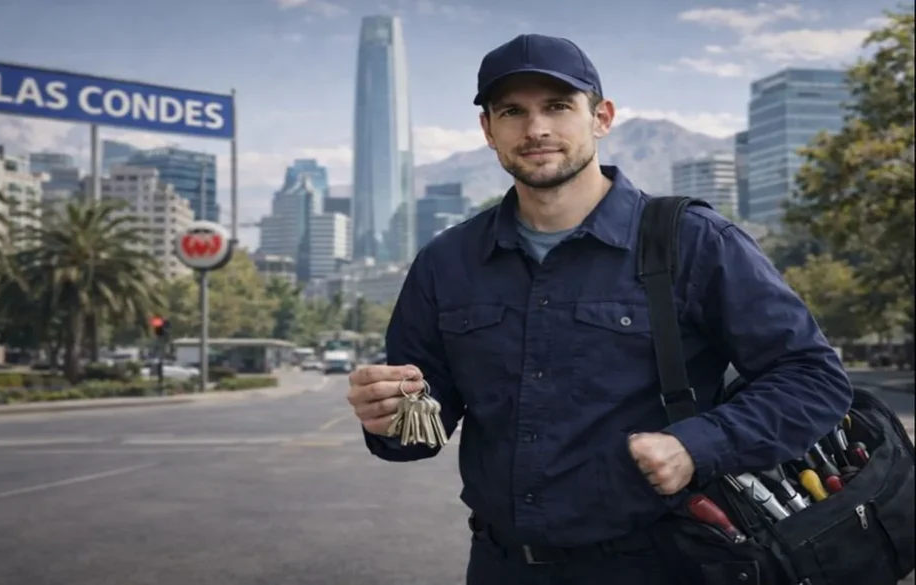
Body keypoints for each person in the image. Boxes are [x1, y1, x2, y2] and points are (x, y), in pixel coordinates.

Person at [346, 33, 853, 585]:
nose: (536, 128)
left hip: (667, 563)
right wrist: (391, 415)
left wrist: (698, 445)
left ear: (601, 117)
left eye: (558, 107)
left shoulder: (694, 241)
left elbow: (812, 379)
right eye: (512, 111)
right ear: (489, 131)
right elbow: (423, 426)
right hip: (502, 567)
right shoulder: (447, 261)